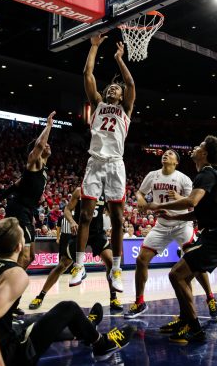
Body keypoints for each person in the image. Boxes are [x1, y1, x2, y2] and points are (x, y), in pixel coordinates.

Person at [0, 217, 133, 366]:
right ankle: (101, 344)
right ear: (20, 246)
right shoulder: (16, 274)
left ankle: (85, 327)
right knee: (68, 308)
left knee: (31, 322)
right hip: (6, 358)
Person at [146, 136, 217, 344]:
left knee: (176, 274)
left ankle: (194, 329)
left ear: (204, 154)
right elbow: (198, 213)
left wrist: (159, 207)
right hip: (212, 233)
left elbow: (192, 201)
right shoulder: (205, 176)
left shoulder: (207, 173)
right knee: (182, 277)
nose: (195, 147)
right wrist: (173, 216)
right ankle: (185, 321)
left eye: (200, 146)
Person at [70, 34, 136, 292]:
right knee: (85, 215)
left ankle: (117, 269)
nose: (112, 89)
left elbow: (130, 82)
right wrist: (95, 47)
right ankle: (79, 265)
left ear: (121, 96)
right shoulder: (97, 104)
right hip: (95, 162)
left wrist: (119, 59)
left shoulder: (126, 109)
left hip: (116, 164)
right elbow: (88, 75)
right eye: (110, 87)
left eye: (116, 89)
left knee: (118, 220)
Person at [125, 149, 217, 321]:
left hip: (182, 224)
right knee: (141, 260)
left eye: (170, 154)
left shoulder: (183, 178)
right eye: (165, 153)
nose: (166, 155)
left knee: (195, 261)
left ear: (176, 161)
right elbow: (140, 192)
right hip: (161, 224)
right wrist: (140, 198)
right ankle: (139, 302)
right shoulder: (153, 175)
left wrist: (178, 196)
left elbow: (194, 204)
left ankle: (210, 297)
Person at [29, 187, 123, 313]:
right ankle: (40, 296)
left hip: (97, 234)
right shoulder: (80, 191)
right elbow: (67, 209)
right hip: (81, 233)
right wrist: (72, 221)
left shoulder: (105, 193)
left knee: (111, 263)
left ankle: (113, 298)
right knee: (62, 265)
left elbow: (111, 212)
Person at [0, 111, 56, 269]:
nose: (47, 144)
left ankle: (10, 280)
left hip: (27, 211)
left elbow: (12, 187)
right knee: (24, 255)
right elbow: (39, 145)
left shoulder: (43, 169)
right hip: (19, 209)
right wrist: (49, 125)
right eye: (45, 144)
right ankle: (10, 286)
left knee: (31, 256)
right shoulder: (33, 163)